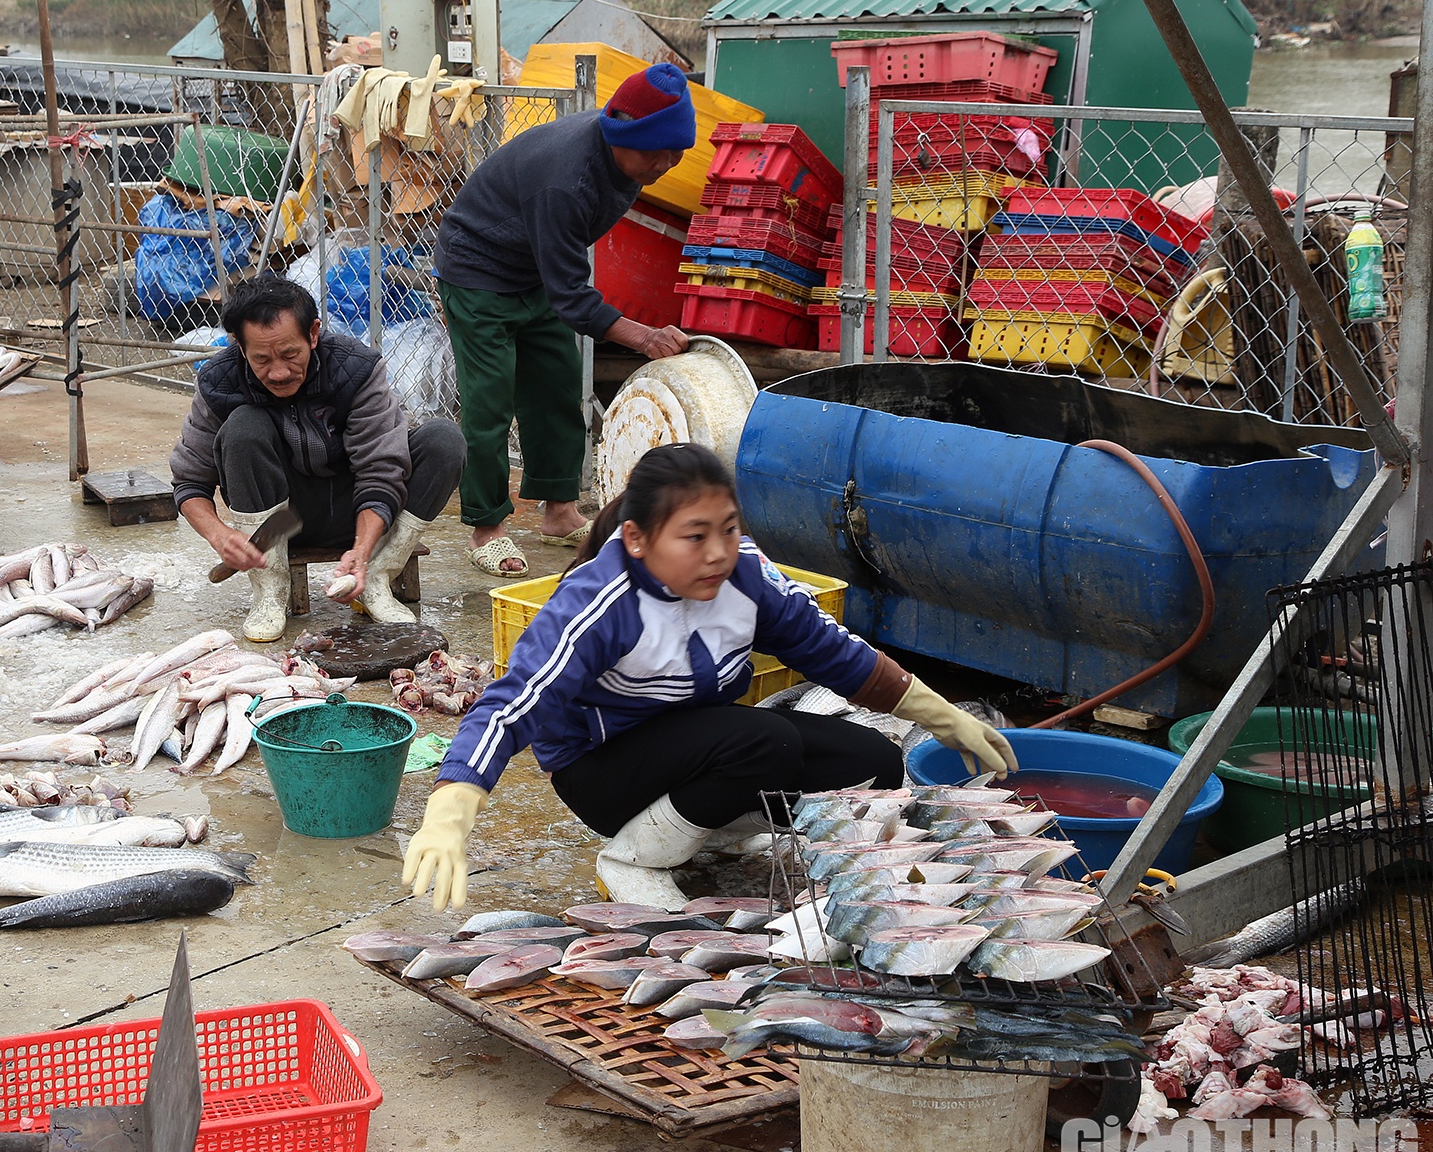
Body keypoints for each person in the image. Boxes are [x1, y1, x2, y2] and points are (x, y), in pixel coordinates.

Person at [400, 443, 1018, 911]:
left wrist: (948, 719)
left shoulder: (744, 575)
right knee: (763, 742)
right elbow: (513, 704)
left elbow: (835, 653)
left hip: (702, 741)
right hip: (602, 771)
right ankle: (631, 859)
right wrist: (452, 808)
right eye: (694, 537)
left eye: (728, 529)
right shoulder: (599, 601)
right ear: (639, 540)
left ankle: (706, 831)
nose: (718, 553)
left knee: (874, 762)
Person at [434, 61, 698, 578]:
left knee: (556, 389)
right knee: (489, 403)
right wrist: (642, 336)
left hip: (532, 269)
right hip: (477, 270)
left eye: (677, 152)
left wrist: (558, 284)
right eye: (656, 151)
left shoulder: (629, 161)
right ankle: (487, 528)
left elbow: (566, 282)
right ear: (622, 135)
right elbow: (574, 299)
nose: (666, 163)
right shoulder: (566, 178)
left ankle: (559, 513)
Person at [171, 276, 466, 642]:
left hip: (358, 514)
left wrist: (361, 549)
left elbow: (380, 471)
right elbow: (189, 482)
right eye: (261, 359)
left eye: (290, 354)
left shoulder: (355, 368)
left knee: (444, 439)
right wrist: (220, 535)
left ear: (313, 334)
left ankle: (376, 575)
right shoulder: (219, 380)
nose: (278, 372)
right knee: (243, 427)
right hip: (281, 523)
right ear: (239, 346)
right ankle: (270, 591)